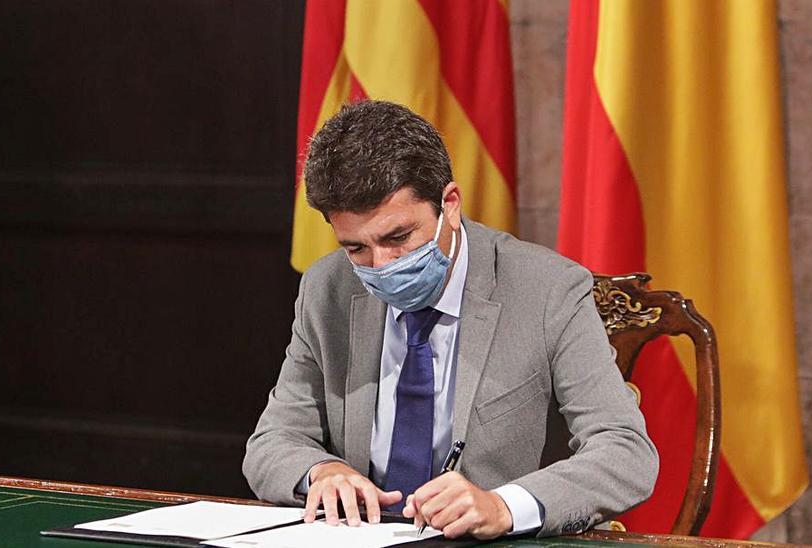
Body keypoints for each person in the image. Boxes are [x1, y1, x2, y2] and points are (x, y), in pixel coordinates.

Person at [243, 100, 657, 538]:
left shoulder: (549, 289)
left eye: (398, 237)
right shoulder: (327, 288)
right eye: (356, 248)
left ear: (450, 205)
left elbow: (625, 451)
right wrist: (322, 472)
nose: (381, 264)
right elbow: (272, 442)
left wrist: (502, 506)